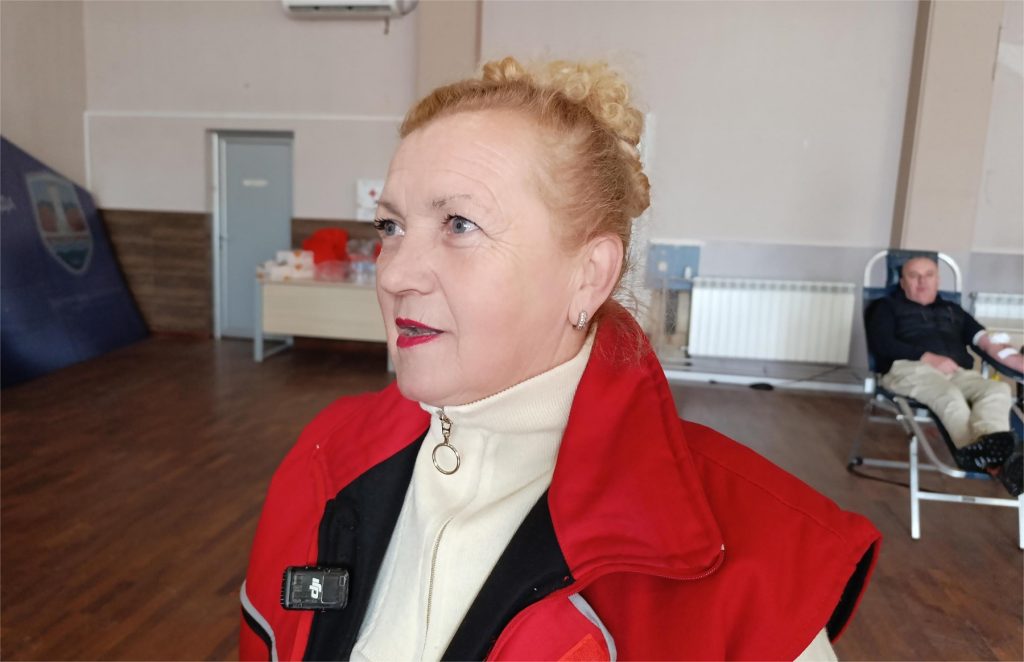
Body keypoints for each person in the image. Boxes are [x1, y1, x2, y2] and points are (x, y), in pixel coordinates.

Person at [241, 57, 880, 661]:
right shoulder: (326, 458)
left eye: (459, 224)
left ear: (589, 275)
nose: (395, 273)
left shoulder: (756, 561)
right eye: (391, 226)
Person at [866, 255, 1022, 496]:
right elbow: (882, 343)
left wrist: (1005, 354)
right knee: (949, 396)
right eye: (914, 276)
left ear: (938, 280)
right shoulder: (886, 307)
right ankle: (995, 461)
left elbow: (983, 339)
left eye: (928, 275)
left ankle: (991, 453)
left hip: (955, 371)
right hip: (908, 369)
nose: (922, 281)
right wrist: (927, 357)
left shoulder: (953, 309)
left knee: (997, 390)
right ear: (902, 282)